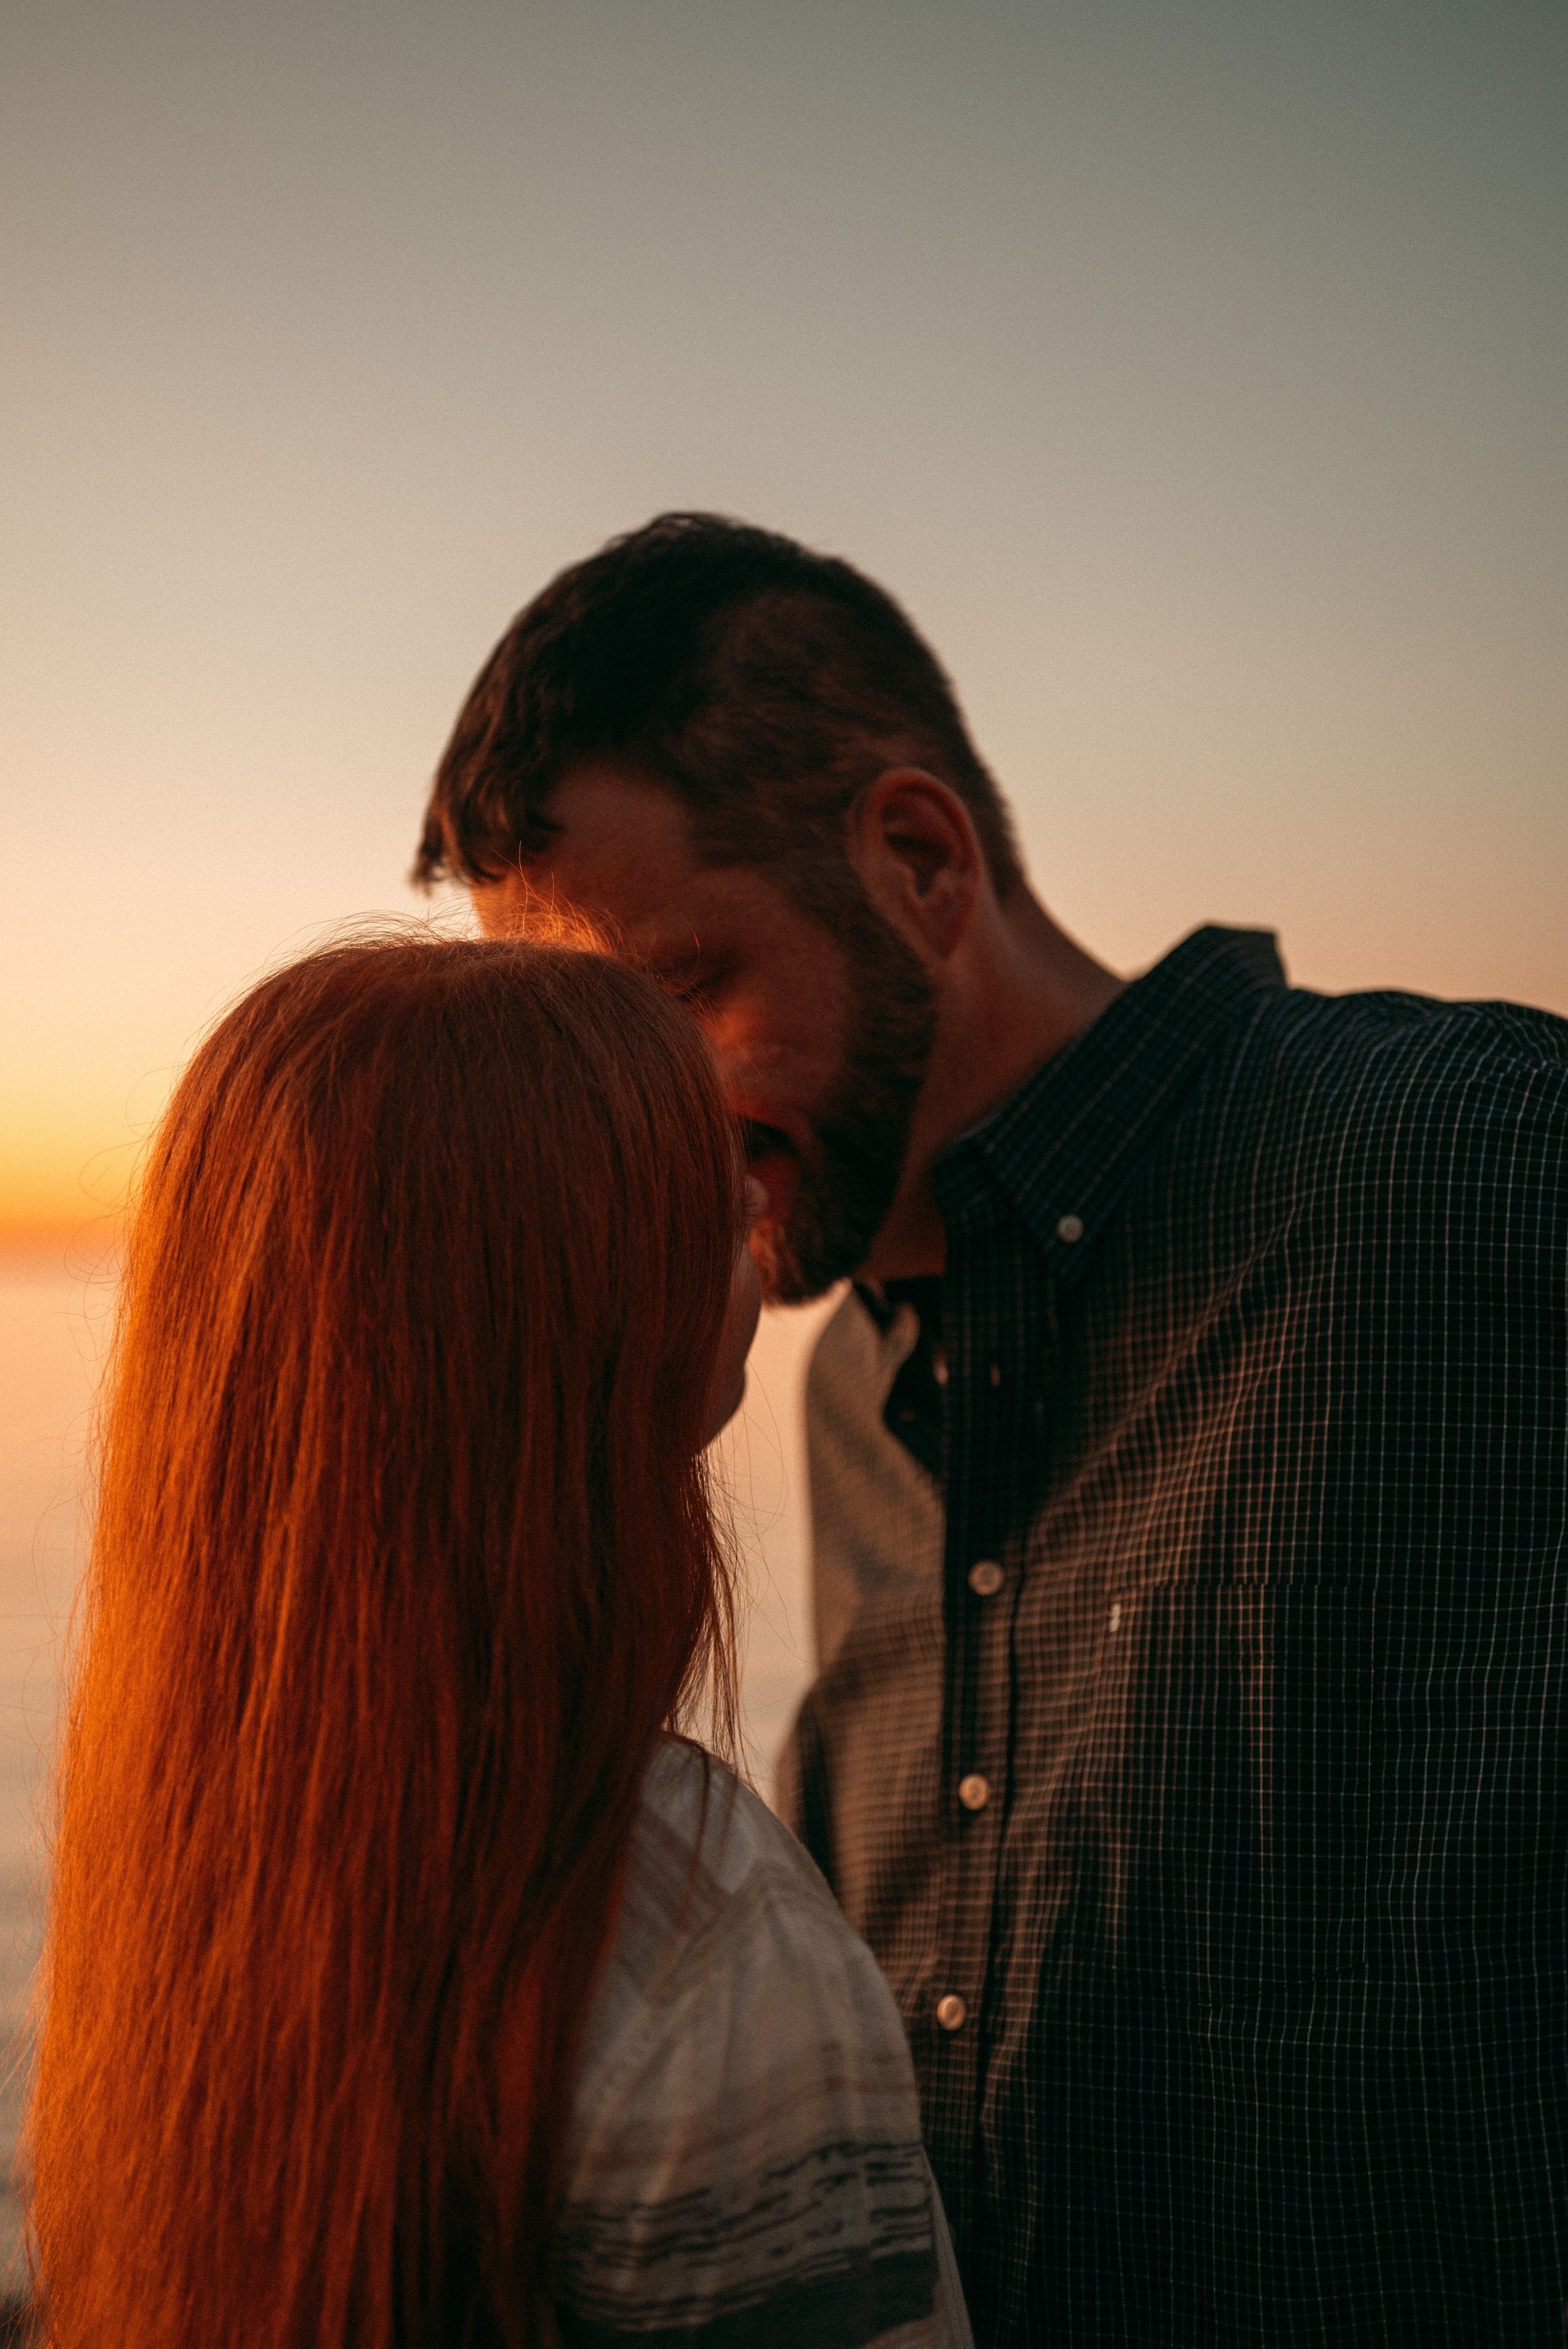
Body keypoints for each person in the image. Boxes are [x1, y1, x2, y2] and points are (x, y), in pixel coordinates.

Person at [415, 513, 1568, 2347]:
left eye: (677, 999)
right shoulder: (838, 1392)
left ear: (919, 862)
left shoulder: (1465, 1170)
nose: (635, 1130)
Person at [27, 936, 973, 2349]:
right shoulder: (696, 1929)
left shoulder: (186, 1858)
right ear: (584, 1316)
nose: (762, 1236)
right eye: (713, 1217)